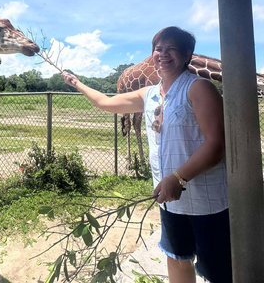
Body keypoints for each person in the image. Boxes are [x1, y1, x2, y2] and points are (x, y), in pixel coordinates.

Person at [61, 26, 232, 283]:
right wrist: (77, 83)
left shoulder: (199, 88)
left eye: (171, 48)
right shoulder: (150, 93)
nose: (163, 54)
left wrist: (178, 178)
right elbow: (106, 103)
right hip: (170, 198)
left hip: (206, 201)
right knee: (177, 257)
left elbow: (217, 144)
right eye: (158, 49)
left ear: (187, 54)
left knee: (217, 269)